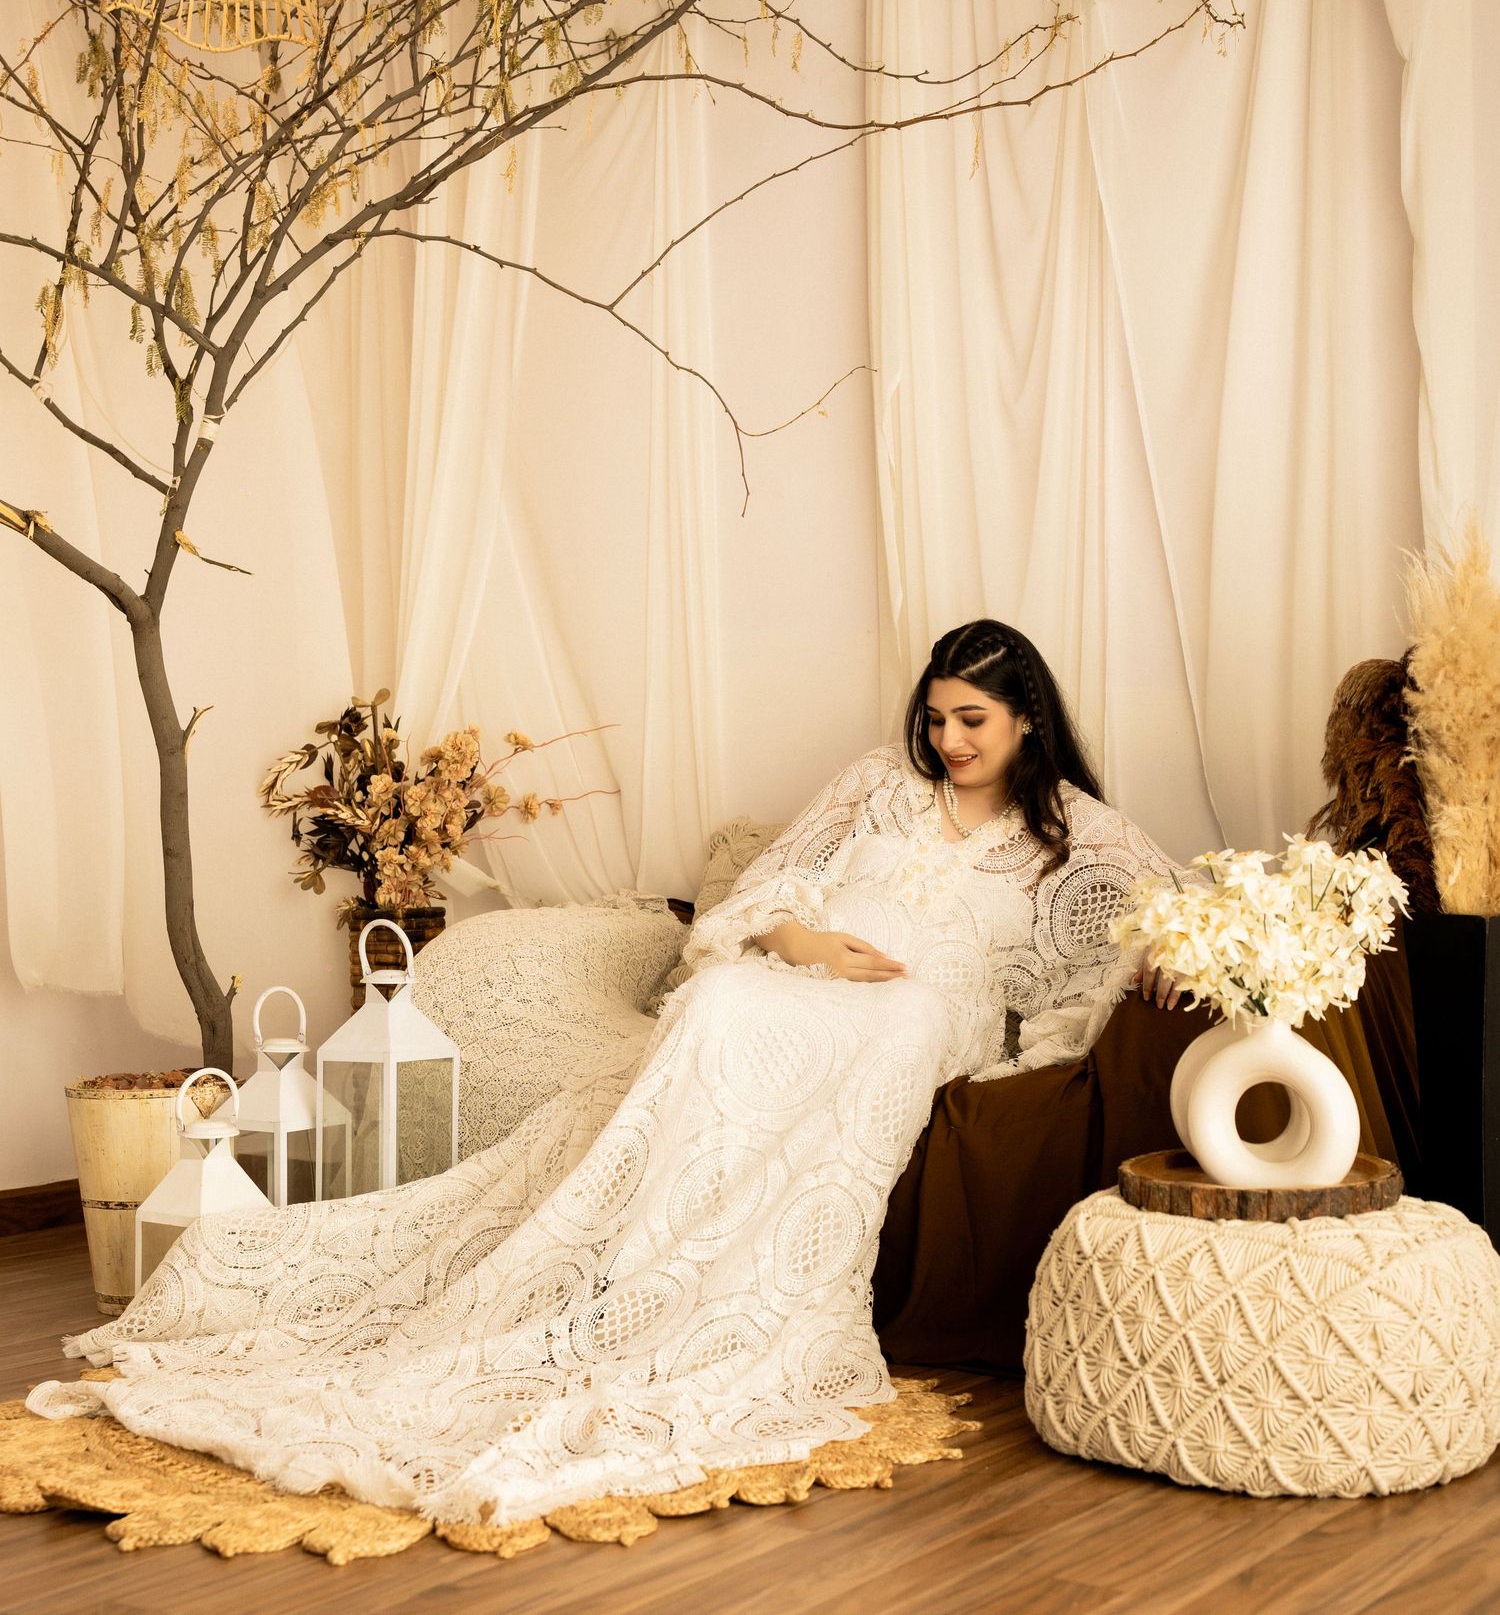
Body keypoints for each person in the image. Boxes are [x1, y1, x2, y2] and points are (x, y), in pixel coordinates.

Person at [30, 619, 1182, 1527]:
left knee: (887, 1032)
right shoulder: (879, 785)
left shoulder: (1075, 832)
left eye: (972, 721)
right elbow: (762, 894)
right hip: (808, 971)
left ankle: (719, 1309)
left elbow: (1177, 903)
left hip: (923, 1009)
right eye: (935, 720)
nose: (949, 743)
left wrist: (1182, 954)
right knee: (724, 998)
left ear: (1028, 719)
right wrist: (801, 944)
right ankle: (619, 1271)